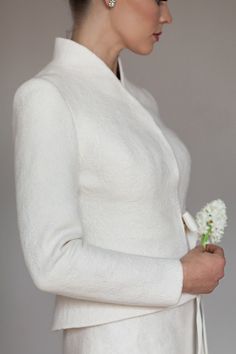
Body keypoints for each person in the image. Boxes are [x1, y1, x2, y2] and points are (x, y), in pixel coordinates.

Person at [12, 0, 226, 353]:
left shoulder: (141, 100)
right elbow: (51, 261)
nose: (167, 15)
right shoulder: (48, 96)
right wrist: (181, 276)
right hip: (120, 340)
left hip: (177, 329)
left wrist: (194, 255)